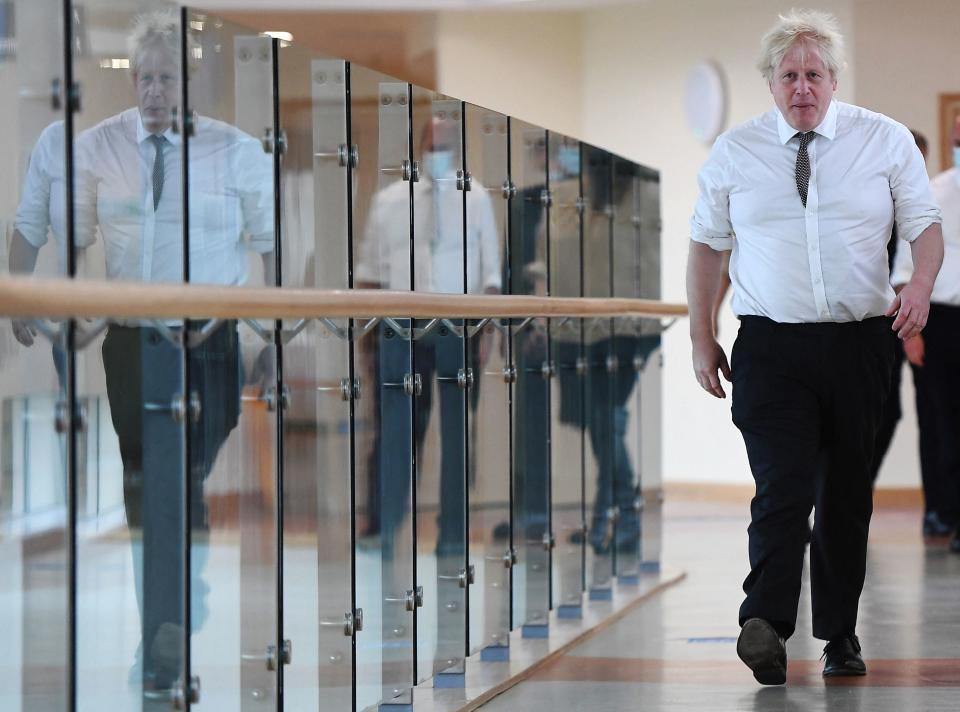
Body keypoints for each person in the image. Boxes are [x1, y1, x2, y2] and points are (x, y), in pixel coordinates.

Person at [686, 9, 942, 685]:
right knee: (783, 487)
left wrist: (919, 285)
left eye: (815, 74)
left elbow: (926, 226)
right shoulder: (735, 153)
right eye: (790, 74)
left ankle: (839, 635)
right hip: (771, 347)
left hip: (860, 345)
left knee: (846, 495)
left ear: (834, 79)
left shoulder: (883, 141)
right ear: (770, 81)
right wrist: (701, 334)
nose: (803, 87)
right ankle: (764, 622)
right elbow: (708, 248)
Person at [73, 10, 274, 694]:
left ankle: (176, 611)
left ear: (191, 84)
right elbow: (80, 243)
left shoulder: (238, 151)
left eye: (165, 78)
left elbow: (270, 248)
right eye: (143, 79)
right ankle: (165, 634)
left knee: (177, 484)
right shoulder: (104, 151)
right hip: (132, 346)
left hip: (209, 343)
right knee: (150, 490)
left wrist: (272, 336)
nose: (153, 92)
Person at [892, 115, 960, 552]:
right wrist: (911, 334)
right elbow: (904, 270)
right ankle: (942, 513)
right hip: (940, 320)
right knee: (940, 421)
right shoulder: (932, 192)